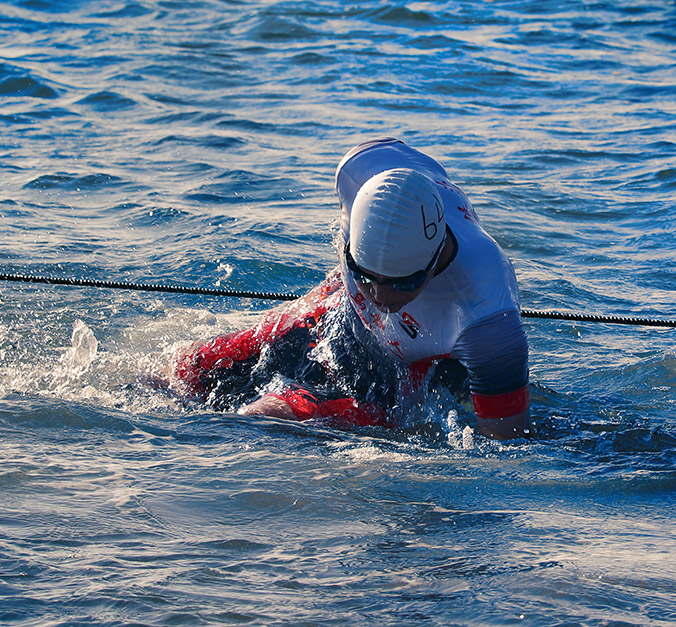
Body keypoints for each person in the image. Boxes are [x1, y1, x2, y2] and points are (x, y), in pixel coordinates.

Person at [168, 138, 530, 440]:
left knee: (258, 420)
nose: (380, 297)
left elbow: (502, 449)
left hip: (392, 383)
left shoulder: (487, 323)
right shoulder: (360, 168)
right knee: (179, 371)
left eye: (403, 284)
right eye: (364, 274)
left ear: (435, 261)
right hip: (334, 316)